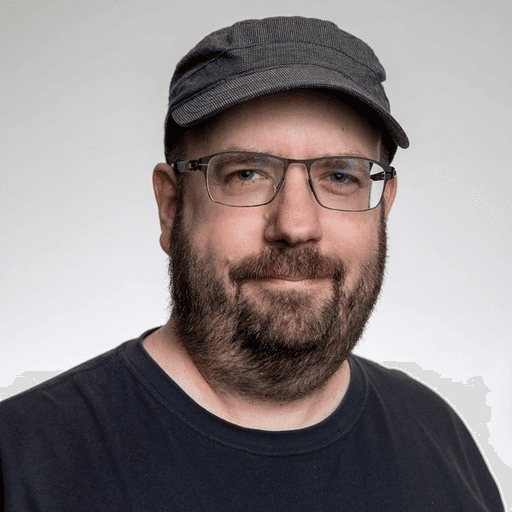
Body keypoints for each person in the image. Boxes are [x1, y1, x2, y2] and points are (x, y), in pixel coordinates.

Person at [0, 16, 504, 511]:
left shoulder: (438, 439)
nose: (296, 225)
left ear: (383, 206)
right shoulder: (23, 462)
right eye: (246, 173)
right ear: (171, 207)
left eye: (340, 177)